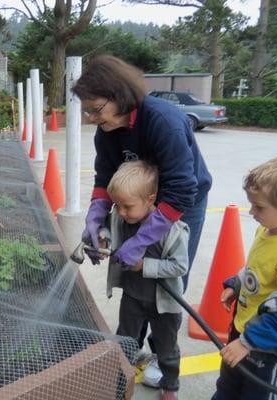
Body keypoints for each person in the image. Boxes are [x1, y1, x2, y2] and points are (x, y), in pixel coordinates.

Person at [72, 55, 212, 386]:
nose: (91, 117)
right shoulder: (107, 132)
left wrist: (139, 242)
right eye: (87, 110)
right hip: (136, 199)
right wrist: (96, 221)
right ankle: (131, 346)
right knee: (136, 279)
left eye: (95, 109)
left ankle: (161, 352)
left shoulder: (163, 121)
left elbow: (180, 190)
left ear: (119, 96)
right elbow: (104, 178)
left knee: (167, 278)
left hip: (180, 202)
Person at [212, 155, 277, 400]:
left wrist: (247, 343)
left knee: (256, 394)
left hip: (268, 347)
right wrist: (237, 284)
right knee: (227, 386)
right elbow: (255, 268)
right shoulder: (267, 230)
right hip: (243, 331)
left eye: (259, 207)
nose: (251, 212)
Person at [106, 160, 189, 400]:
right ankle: (121, 379)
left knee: (166, 348)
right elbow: (108, 229)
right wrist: (102, 237)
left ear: (150, 199)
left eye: (127, 206)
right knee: (125, 340)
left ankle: (170, 384)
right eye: (117, 205)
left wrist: (145, 265)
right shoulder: (123, 219)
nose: (121, 212)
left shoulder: (173, 230)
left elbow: (180, 266)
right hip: (132, 297)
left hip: (163, 304)